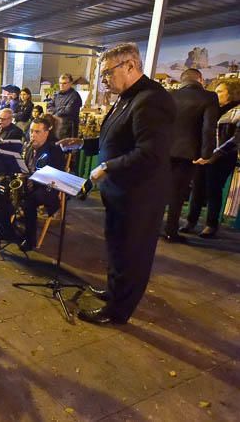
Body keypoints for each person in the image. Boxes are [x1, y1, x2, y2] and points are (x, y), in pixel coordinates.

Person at [82, 43, 175, 325]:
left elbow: (150, 153)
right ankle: (114, 292)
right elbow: (116, 137)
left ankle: (118, 311)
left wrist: (107, 166)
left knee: (131, 253)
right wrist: (81, 144)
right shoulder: (126, 96)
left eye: (107, 73)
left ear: (130, 66)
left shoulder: (151, 100)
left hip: (139, 195)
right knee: (116, 247)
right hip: (119, 191)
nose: (104, 81)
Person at [162, 68, 220, 242]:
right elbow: (208, 128)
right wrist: (207, 153)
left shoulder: (169, 95)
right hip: (188, 153)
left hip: (164, 150)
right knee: (177, 194)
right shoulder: (209, 97)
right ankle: (171, 231)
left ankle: (150, 227)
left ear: (182, 80)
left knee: (159, 190)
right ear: (200, 80)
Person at [184, 80, 240, 237]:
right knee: (197, 188)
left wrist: (213, 156)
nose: (217, 94)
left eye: (221, 91)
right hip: (203, 155)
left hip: (222, 158)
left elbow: (235, 139)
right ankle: (191, 221)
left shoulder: (237, 111)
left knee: (213, 190)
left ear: (233, 93)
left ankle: (211, 224)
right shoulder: (212, 108)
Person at [18, 118, 65, 252]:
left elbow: (55, 176)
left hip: (46, 189)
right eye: (31, 131)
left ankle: (30, 239)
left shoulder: (55, 150)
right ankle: (8, 229)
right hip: (30, 184)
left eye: (37, 132)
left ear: (46, 133)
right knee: (4, 190)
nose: (33, 135)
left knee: (29, 201)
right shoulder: (28, 147)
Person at [48, 74, 82, 139]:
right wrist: (60, 109)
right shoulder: (57, 94)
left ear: (70, 83)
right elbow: (49, 106)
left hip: (68, 130)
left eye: (64, 83)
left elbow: (68, 111)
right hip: (55, 127)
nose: (61, 85)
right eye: (60, 83)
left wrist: (55, 111)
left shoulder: (75, 96)